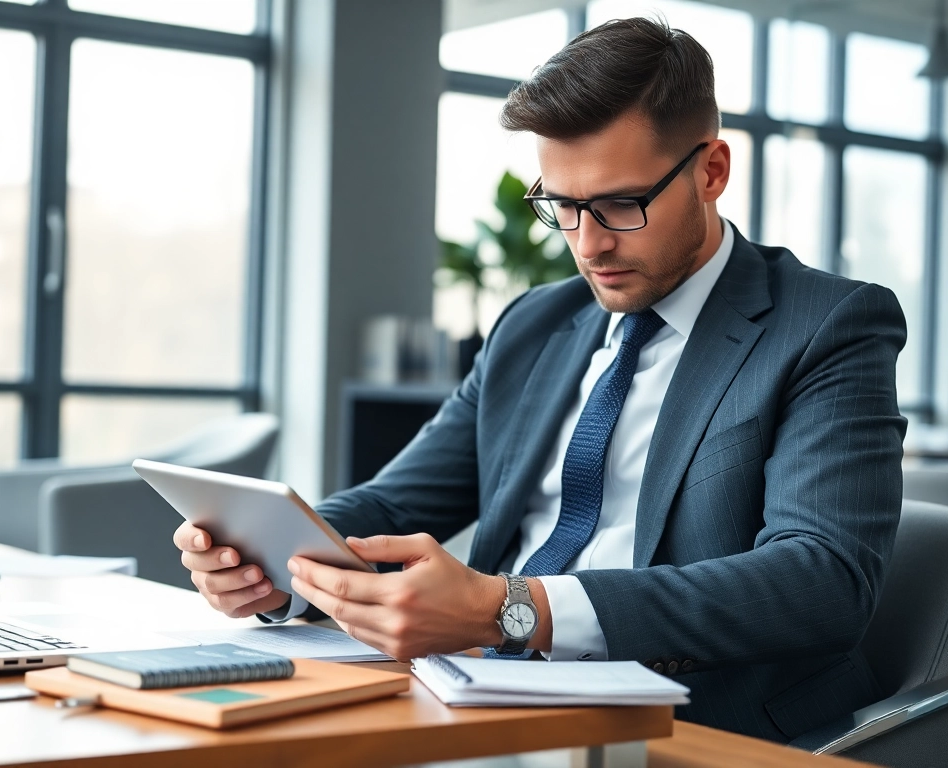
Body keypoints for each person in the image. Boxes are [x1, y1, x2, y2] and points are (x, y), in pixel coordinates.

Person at [173, 17, 907, 744]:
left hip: (695, 726)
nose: (588, 244)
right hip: (487, 703)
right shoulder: (534, 324)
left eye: (623, 204)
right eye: (563, 206)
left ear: (711, 170)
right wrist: (277, 568)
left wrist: (509, 608)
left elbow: (823, 580)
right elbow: (397, 500)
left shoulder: (827, 324)